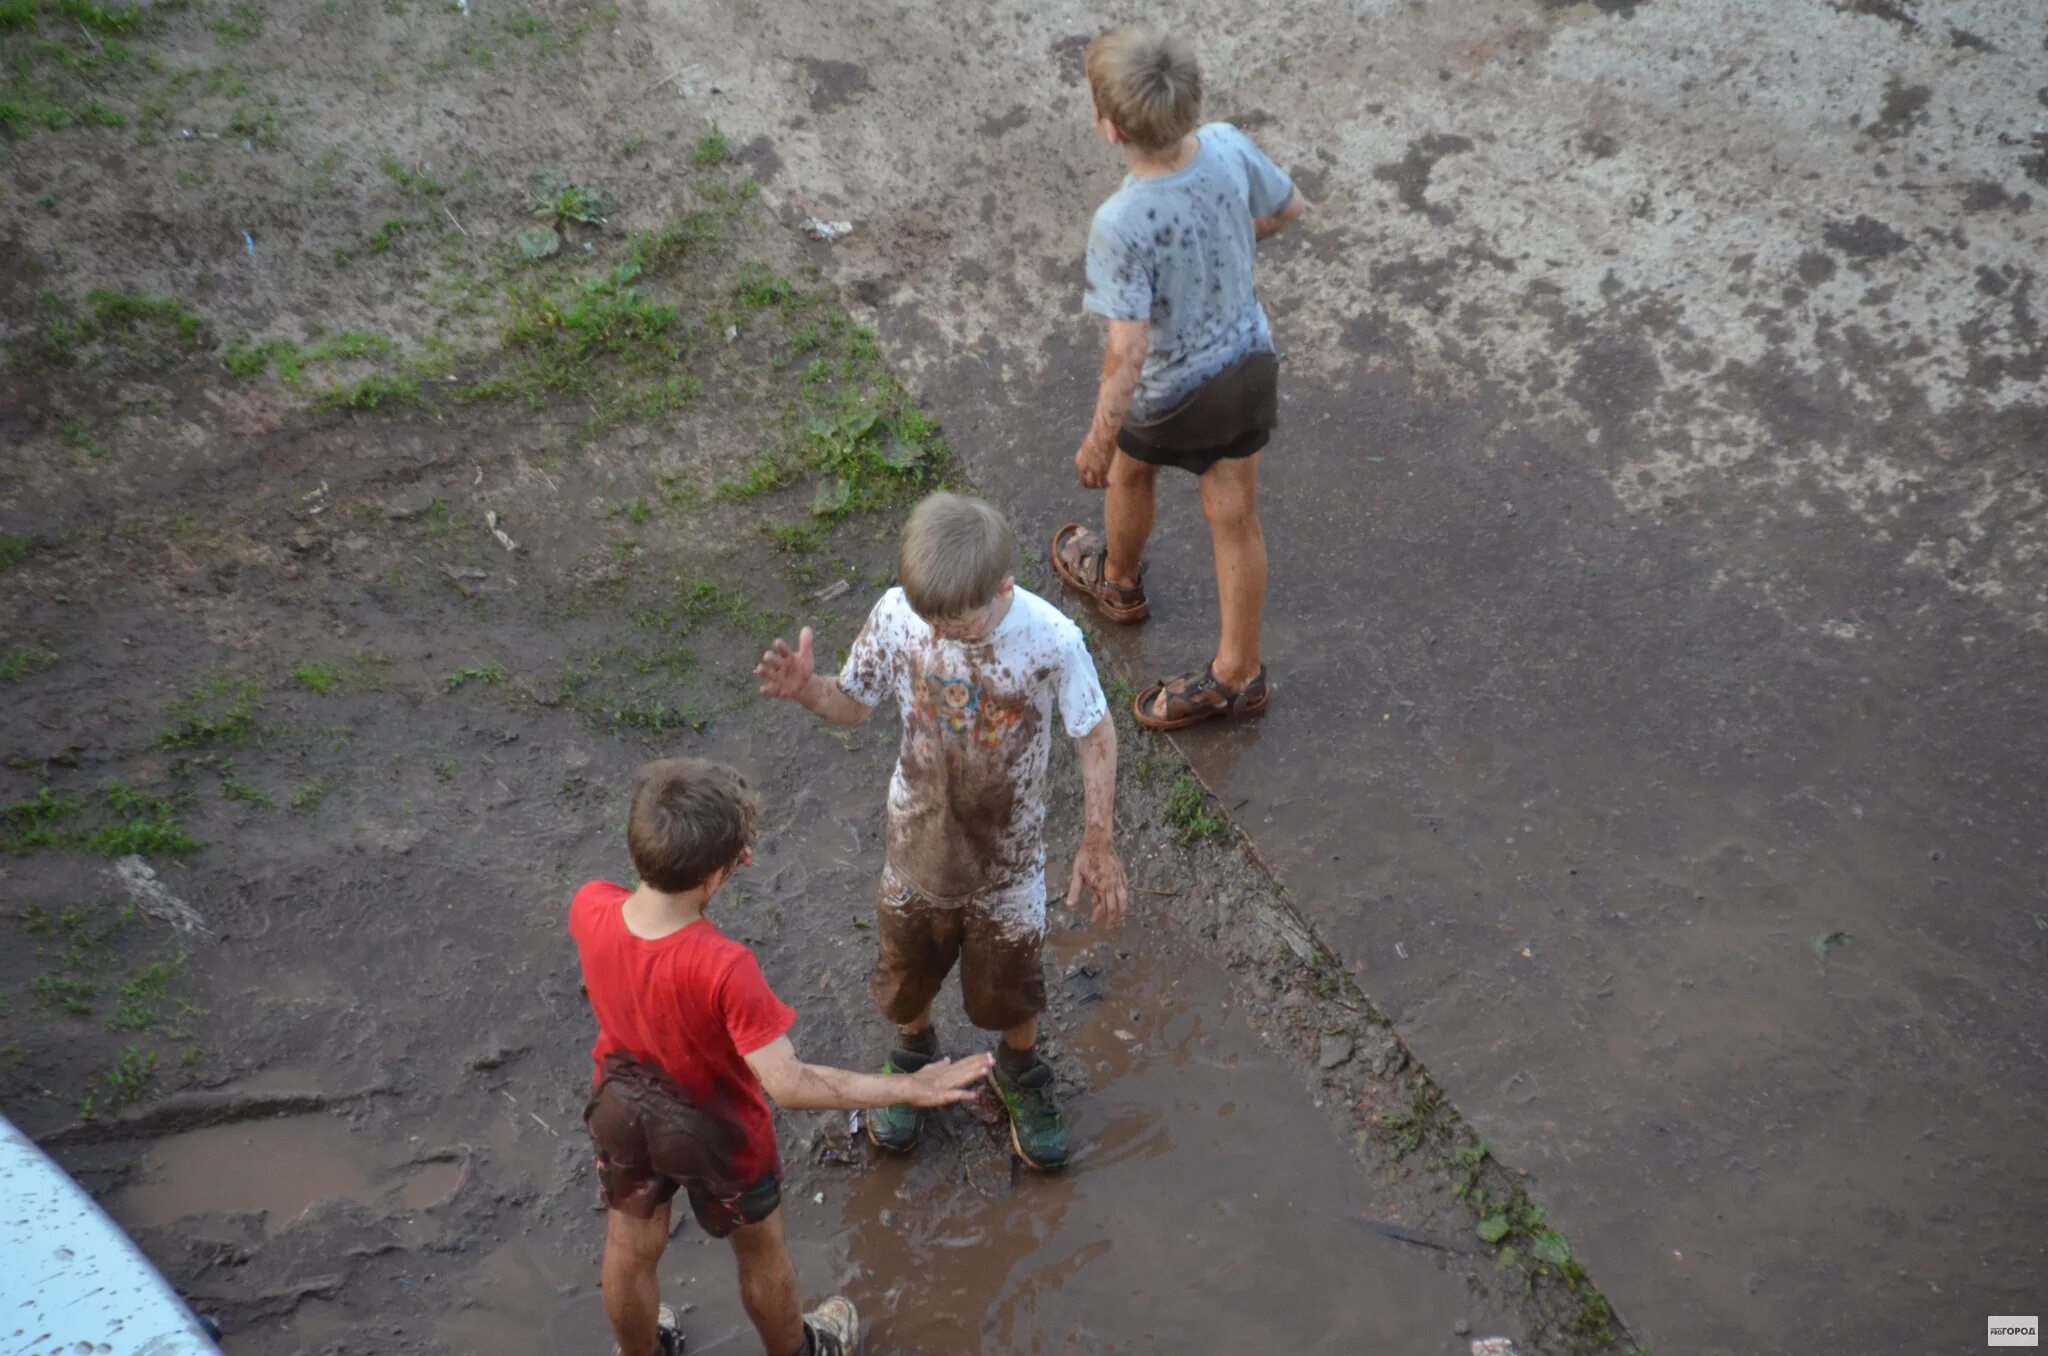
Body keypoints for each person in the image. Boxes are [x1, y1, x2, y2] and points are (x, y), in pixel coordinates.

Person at [755, 491, 1127, 1170]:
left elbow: (1095, 730)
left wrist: (1096, 838)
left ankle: (1020, 1072)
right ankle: (913, 1056)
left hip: (1009, 863)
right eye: (933, 619)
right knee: (907, 974)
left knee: (1009, 984)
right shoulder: (901, 616)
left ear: (1003, 586)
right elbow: (855, 702)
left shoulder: (1051, 640)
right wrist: (811, 690)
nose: (943, 633)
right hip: (916, 844)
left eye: (960, 621)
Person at [570, 757, 991, 1356]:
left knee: (631, 1246)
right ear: (717, 876)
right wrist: (912, 1087)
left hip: (618, 1106)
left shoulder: (589, 906)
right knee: (760, 1248)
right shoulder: (723, 967)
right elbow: (788, 1084)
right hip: (715, 1131)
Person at [1051, 24, 1309, 730]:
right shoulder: (1226, 146)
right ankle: (1238, 676)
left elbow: (1127, 351)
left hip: (1172, 394)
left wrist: (1100, 440)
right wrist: (1221, 244)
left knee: (1131, 475)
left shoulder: (1122, 221)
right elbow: (1287, 208)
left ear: (1108, 127)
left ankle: (1119, 582)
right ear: (1193, 99)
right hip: (1249, 367)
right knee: (1234, 516)